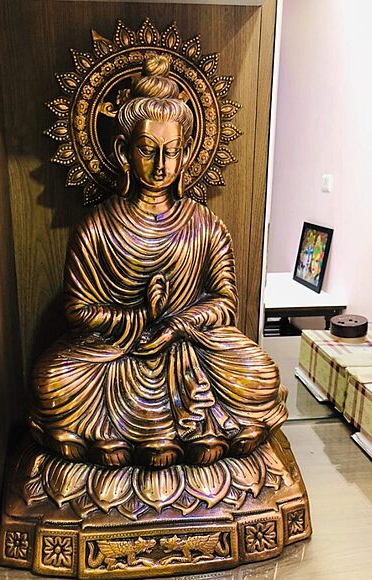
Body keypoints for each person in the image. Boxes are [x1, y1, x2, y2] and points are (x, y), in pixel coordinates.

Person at [29, 54, 287, 468]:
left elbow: (225, 304)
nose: (160, 165)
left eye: (171, 152)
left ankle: (129, 438)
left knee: (260, 373)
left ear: (186, 154)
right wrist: (139, 317)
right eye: (148, 150)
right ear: (123, 151)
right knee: (51, 382)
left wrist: (174, 325)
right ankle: (178, 435)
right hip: (116, 355)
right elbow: (78, 312)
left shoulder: (205, 225)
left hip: (191, 350)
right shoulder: (97, 227)